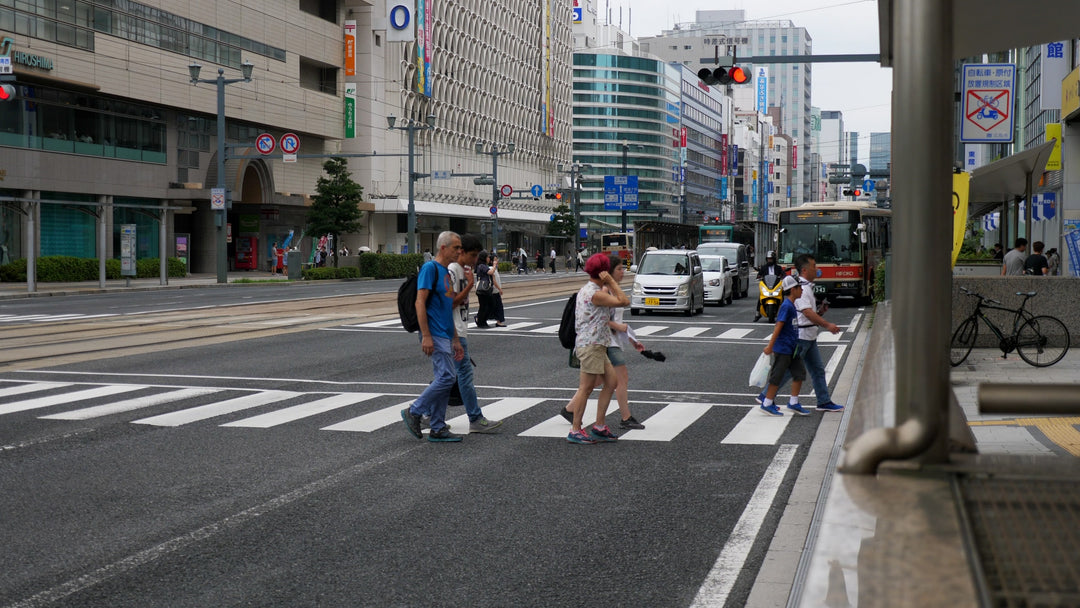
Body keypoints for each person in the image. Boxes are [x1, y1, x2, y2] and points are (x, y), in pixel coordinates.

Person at [560, 254, 646, 430]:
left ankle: (599, 426)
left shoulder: (593, 290)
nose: (622, 272)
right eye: (618, 269)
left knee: (612, 381)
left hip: (599, 344)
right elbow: (624, 301)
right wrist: (611, 282)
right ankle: (575, 430)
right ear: (604, 272)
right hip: (591, 344)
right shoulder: (595, 293)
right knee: (586, 388)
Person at [400, 231, 466, 442]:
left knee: (444, 379)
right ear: (443, 248)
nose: (459, 251)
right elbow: (420, 302)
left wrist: (455, 339)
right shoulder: (430, 269)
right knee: (448, 377)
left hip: (445, 333)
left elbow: (447, 309)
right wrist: (426, 334)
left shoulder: (446, 273)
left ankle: (438, 427)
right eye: (456, 247)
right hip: (434, 333)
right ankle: (415, 410)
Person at [757, 254, 844, 413]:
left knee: (814, 370)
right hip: (802, 337)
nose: (817, 269)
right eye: (814, 266)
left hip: (809, 335)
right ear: (804, 270)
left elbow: (809, 313)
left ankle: (823, 401)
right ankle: (766, 396)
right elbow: (807, 313)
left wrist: (820, 313)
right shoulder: (800, 288)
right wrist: (827, 325)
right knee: (790, 371)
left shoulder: (806, 287)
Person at [442, 234, 503, 433]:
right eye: (473, 255)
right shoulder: (452, 270)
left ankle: (425, 412)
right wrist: (469, 285)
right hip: (455, 332)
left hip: (459, 331)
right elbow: (448, 303)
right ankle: (475, 418)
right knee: (463, 375)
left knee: (449, 376)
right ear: (462, 252)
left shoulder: (465, 269)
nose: (475, 260)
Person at [759, 275, 809, 416]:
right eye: (800, 288)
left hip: (793, 348)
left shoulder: (792, 305)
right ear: (793, 289)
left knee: (800, 373)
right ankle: (767, 403)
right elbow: (778, 326)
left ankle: (793, 402)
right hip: (783, 348)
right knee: (777, 376)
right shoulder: (786, 306)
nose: (802, 290)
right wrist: (770, 346)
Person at [474, 251, 495, 328]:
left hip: (485, 289)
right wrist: (494, 265)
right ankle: (481, 321)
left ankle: (482, 320)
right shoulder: (482, 266)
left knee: (488, 305)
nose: (489, 259)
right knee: (484, 306)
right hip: (483, 289)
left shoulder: (482, 265)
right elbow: (490, 272)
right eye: (488, 257)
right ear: (484, 258)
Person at [490, 254, 507, 327]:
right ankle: (498, 321)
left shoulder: (495, 269)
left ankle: (498, 321)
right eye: (495, 260)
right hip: (493, 291)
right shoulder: (491, 268)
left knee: (494, 307)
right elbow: (493, 281)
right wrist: (500, 289)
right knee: (497, 307)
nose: (496, 261)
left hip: (495, 291)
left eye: (497, 260)